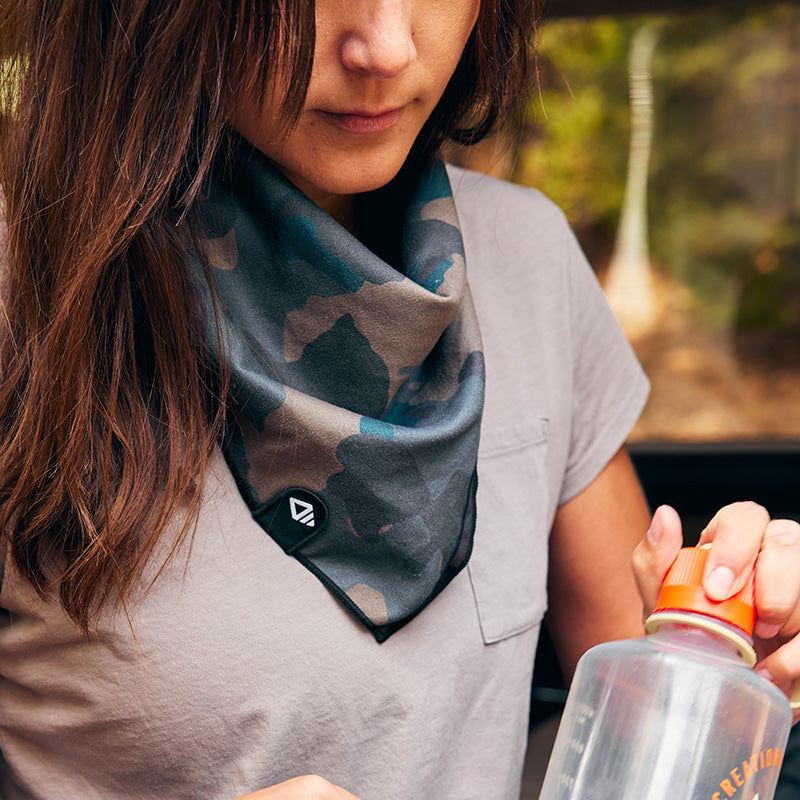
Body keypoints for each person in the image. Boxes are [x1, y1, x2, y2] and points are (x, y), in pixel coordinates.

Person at [0, 2, 799, 799]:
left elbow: (644, 739)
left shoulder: (527, 259)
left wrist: (729, 683)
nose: (384, 48)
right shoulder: (22, 287)